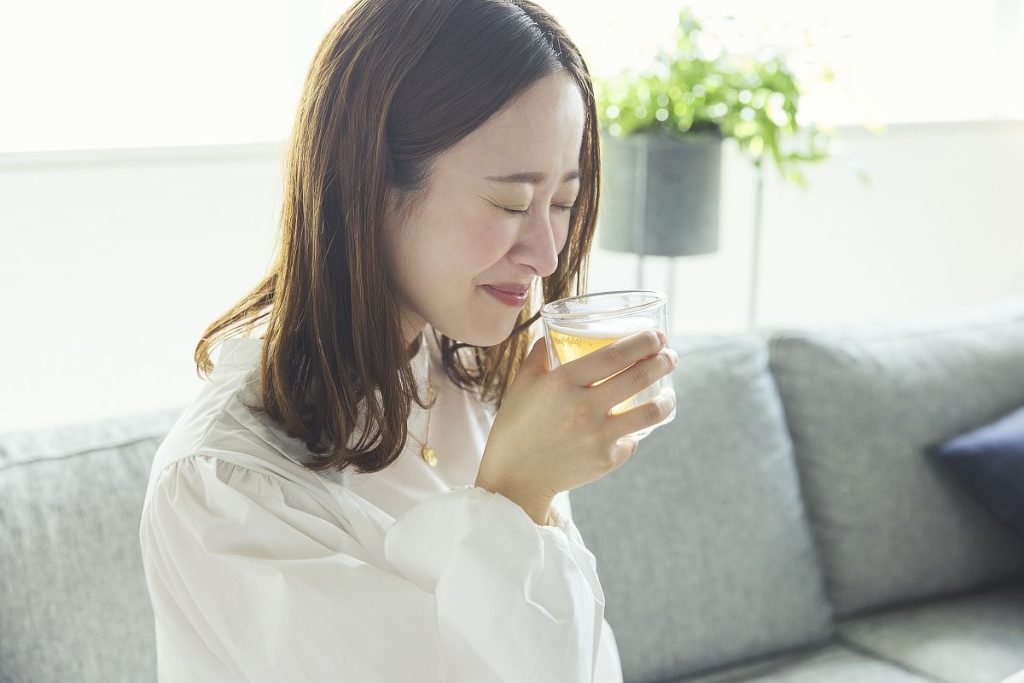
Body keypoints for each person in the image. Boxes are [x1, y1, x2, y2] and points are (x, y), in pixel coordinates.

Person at [138, 0, 678, 681]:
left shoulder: (470, 375)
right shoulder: (225, 491)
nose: (545, 253)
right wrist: (515, 496)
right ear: (373, 184)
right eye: (511, 203)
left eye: (564, 202)